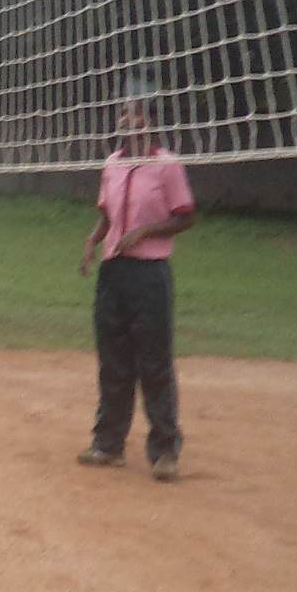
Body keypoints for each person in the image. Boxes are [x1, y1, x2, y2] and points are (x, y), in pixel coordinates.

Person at [77, 88, 196, 481]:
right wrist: (93, 241)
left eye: (133, 113)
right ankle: (108, 444)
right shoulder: (112, 163)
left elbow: (184, 216)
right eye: (123, 113)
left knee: (154, 361)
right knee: (113, 361)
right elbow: (108, 216)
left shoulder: (167, 165)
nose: (126, 119)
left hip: (149, 275)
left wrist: (145, 232)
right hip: (114, 273)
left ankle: (165, 452)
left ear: (149, 120)